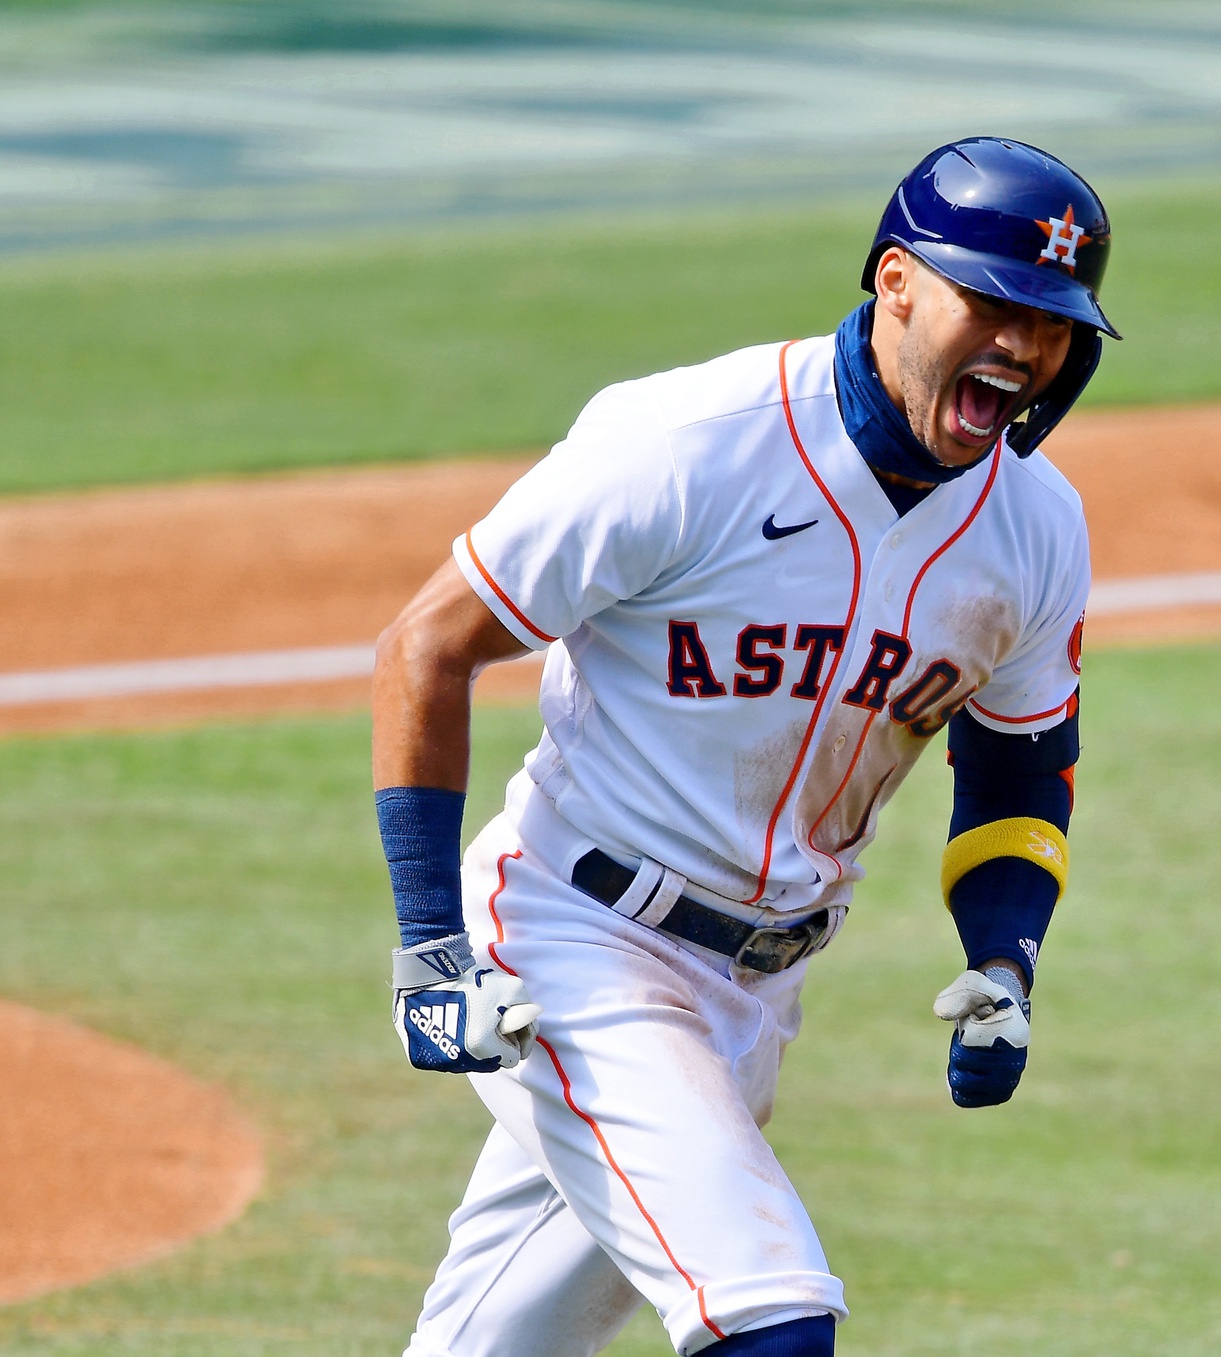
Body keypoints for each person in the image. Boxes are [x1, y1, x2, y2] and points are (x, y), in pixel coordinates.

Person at [371, 137, 1116, 1357]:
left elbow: (1019, 765)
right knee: (772, 1317)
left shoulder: (1033, 528)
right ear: (895, 283)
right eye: (993, 301)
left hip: (757, 992)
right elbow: (427, 645)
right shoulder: (689, 441)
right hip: (570, 942)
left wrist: (1005, 958)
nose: (1025, 347)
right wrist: (428, 950)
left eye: (1053, 320)